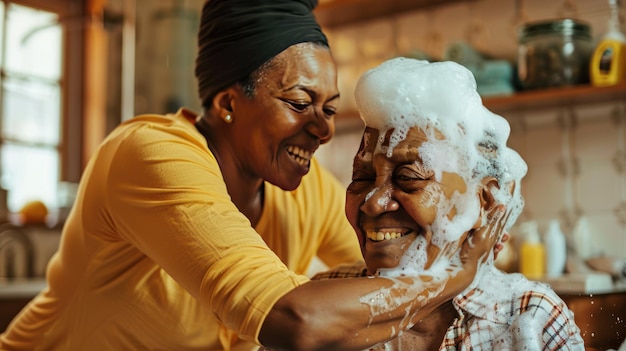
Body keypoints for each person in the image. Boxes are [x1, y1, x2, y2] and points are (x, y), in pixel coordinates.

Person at [0, 1, 504, 350]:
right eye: (300, 103)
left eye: (329, 109)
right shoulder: (152, 154)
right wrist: (453, 274)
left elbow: (386, 265)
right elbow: (298, 322)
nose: (323, 130)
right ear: (226, 103)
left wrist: (461, 224)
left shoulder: (300, 195)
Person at [318, 57, 585, 350]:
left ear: (483, 201)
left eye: (408, 177)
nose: (373, 203)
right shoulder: (320, 301)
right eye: (362, 177)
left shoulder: (530, 318)